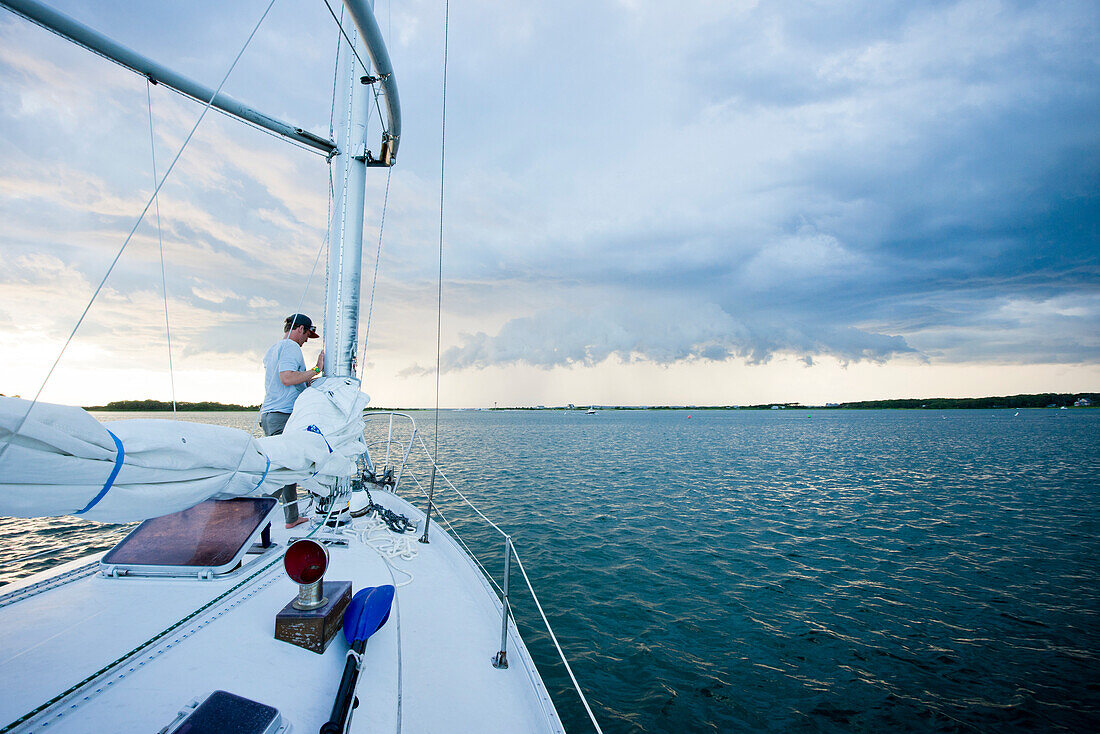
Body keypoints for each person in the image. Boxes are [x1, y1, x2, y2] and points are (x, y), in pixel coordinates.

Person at [260, 313, 324, 529]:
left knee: (288, 467)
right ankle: (253, 515)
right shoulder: (290, 348)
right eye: (307, 335)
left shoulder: (274, 349)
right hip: (281, 416)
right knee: (281, 471)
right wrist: (316, 369)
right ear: (300, 329)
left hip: (272, 415)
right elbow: (286, 378)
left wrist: (307, 381)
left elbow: (288, 380)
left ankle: (291, 517)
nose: (307, 340)